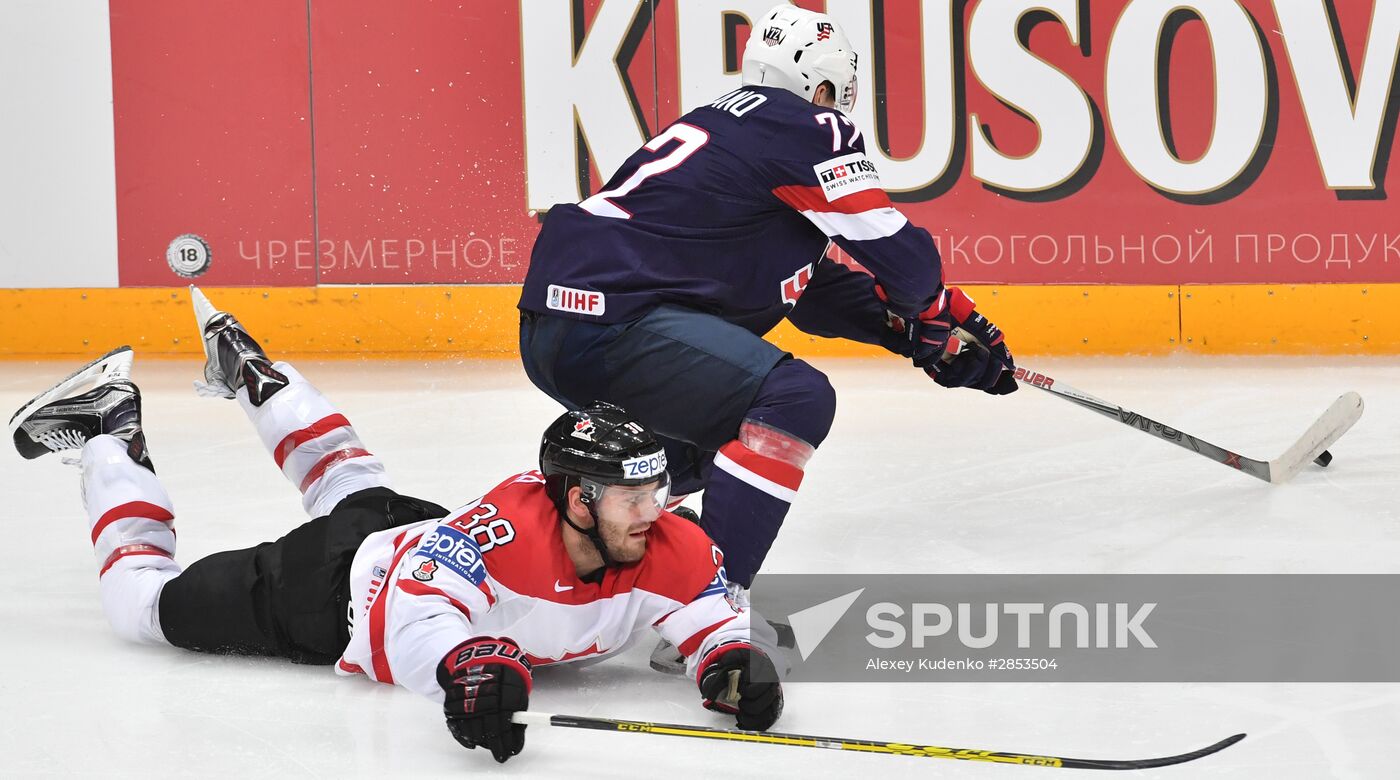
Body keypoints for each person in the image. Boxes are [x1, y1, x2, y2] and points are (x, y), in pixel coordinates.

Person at [8, 287, 783, 764]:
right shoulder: (501, 536)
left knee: (355, 486)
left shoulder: (664, 540)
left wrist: (729, 661)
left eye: (656, 491)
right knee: (142, 609)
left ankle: (255, 373)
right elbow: (411, 614)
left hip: (407, 528)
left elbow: (711, 612)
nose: (658, 512)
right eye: (633, 497)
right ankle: (108, 437)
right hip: (326, 593)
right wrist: (463, 665)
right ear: (578, 500)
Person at [518, 5, 1017, 667]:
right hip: (619, 324)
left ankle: (547, 578)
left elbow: (814, 294)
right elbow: (904, 259)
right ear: (822, 89)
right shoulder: (807, 126)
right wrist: (938, 310)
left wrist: (917, 335)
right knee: (794, 401)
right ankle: (708, 609)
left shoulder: (727, 131)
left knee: (692, 457)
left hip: (559, 331)